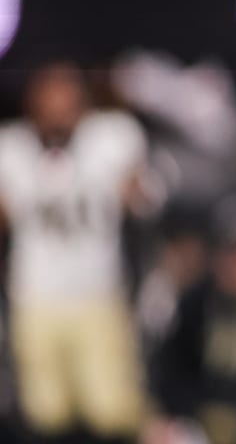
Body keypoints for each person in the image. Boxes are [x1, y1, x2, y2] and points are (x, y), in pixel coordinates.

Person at [0, 60, 151, 443]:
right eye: (49, 98)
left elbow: (147, 199)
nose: (58, 109)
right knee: (45, 414)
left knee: (113, 412)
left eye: (66, 98)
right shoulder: (11, 148)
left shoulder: (112, 138)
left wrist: (134, 190)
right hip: (35, 296)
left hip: (97, 293)